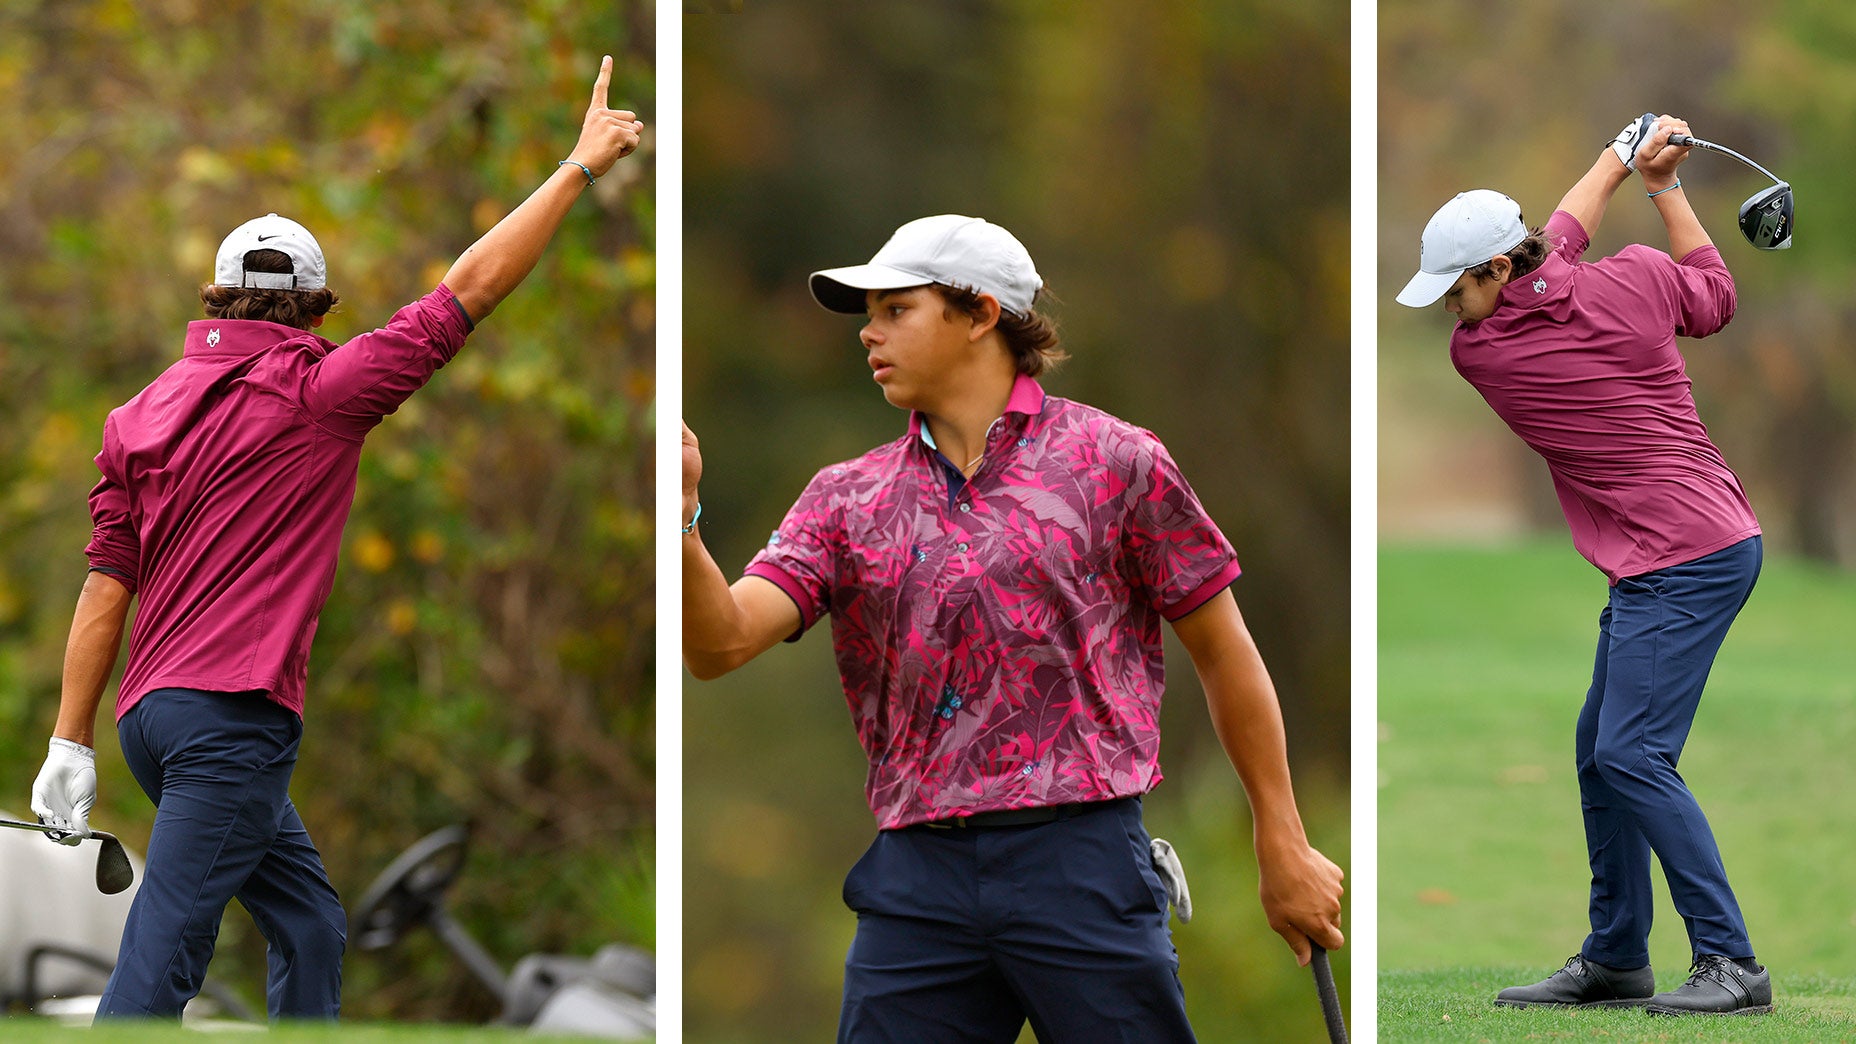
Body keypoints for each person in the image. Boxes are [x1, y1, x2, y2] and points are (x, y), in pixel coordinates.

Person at [27, 57, 644, 1021]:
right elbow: (469, 289)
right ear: (318, 312)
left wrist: (69, 742)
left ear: (215, 302)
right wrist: (578, 167)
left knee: (311, 923)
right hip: (231, 723)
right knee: (164, 954)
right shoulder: (324, 391)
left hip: (151, 722)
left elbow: (107, 585)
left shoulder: (134, 418)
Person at [682, 214, 1345, 1042]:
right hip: (916, 880)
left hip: (1084, 862)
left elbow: (1224, 653)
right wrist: (679, 525)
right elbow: (719, 643)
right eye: (869, 314)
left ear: (981, 312)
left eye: (896, 309)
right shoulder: (845, 498)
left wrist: (1280, 840)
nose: (870, 333)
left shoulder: (1117, 460)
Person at [1395, 114, 1771, 1017]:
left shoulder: (1484, 352)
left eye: (1456, 285)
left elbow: (1560, 234)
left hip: (1684, 555)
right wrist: (1659, 182)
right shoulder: (1638, 280)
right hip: (1698, 542)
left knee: (1632, 754)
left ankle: (1732, 964)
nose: (1449, 306)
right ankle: (1616, 957)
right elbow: (1712, 295)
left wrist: (1617, 155)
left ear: (1496, 271)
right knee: (1602, 754)